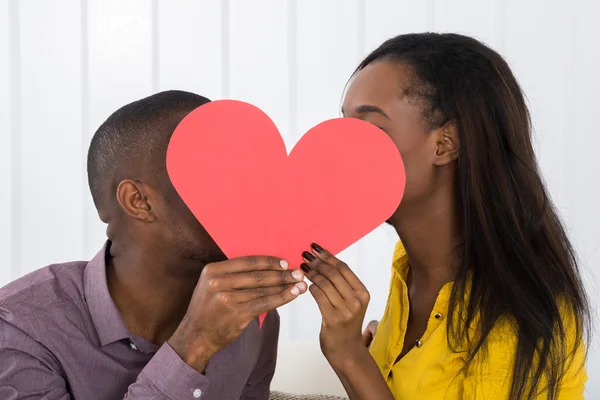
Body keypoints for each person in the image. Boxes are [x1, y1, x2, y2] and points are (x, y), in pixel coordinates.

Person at [299, 33, 590, 399]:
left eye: (370, 128)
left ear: (446, 143)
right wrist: (383, 357)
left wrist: (350, 358)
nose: (340, 147)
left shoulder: (517, 314)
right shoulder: (407, 266)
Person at [0, 90, 308, 399]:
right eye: (218, 174)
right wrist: (194, 345)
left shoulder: (252, 320)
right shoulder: (20, 329)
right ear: (139, 201)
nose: (251, 195)